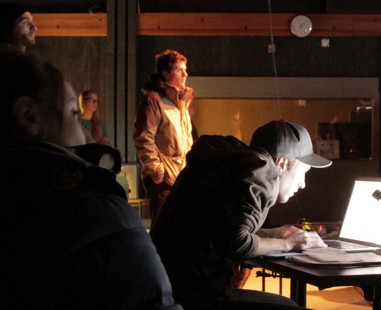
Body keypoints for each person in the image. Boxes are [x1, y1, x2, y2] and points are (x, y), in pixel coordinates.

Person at [0, 45, 180, 309]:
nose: (85, 138)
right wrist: (157, 168)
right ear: (29, 115)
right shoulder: (96, 213)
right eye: (73, 113)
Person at [150, 119, 332, 309]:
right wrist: (289, 243)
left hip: (168, 287)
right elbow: (235, 242)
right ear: (282, 164)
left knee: (286, 303)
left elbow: (219, 231)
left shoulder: (229, 167)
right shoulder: (261, 171)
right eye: (303, 171)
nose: (303, 184)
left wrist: (273, 234)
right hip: (195, 295)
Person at [134, 49, 195, 220]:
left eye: (185, 69)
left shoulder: (180, 103)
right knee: (162, 225)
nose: (185, 74)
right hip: (162, 178)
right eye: (179, 70)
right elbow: (144, 136)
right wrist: (156, 170)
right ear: (166, 73)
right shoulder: (154, 100)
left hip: (179, 175)